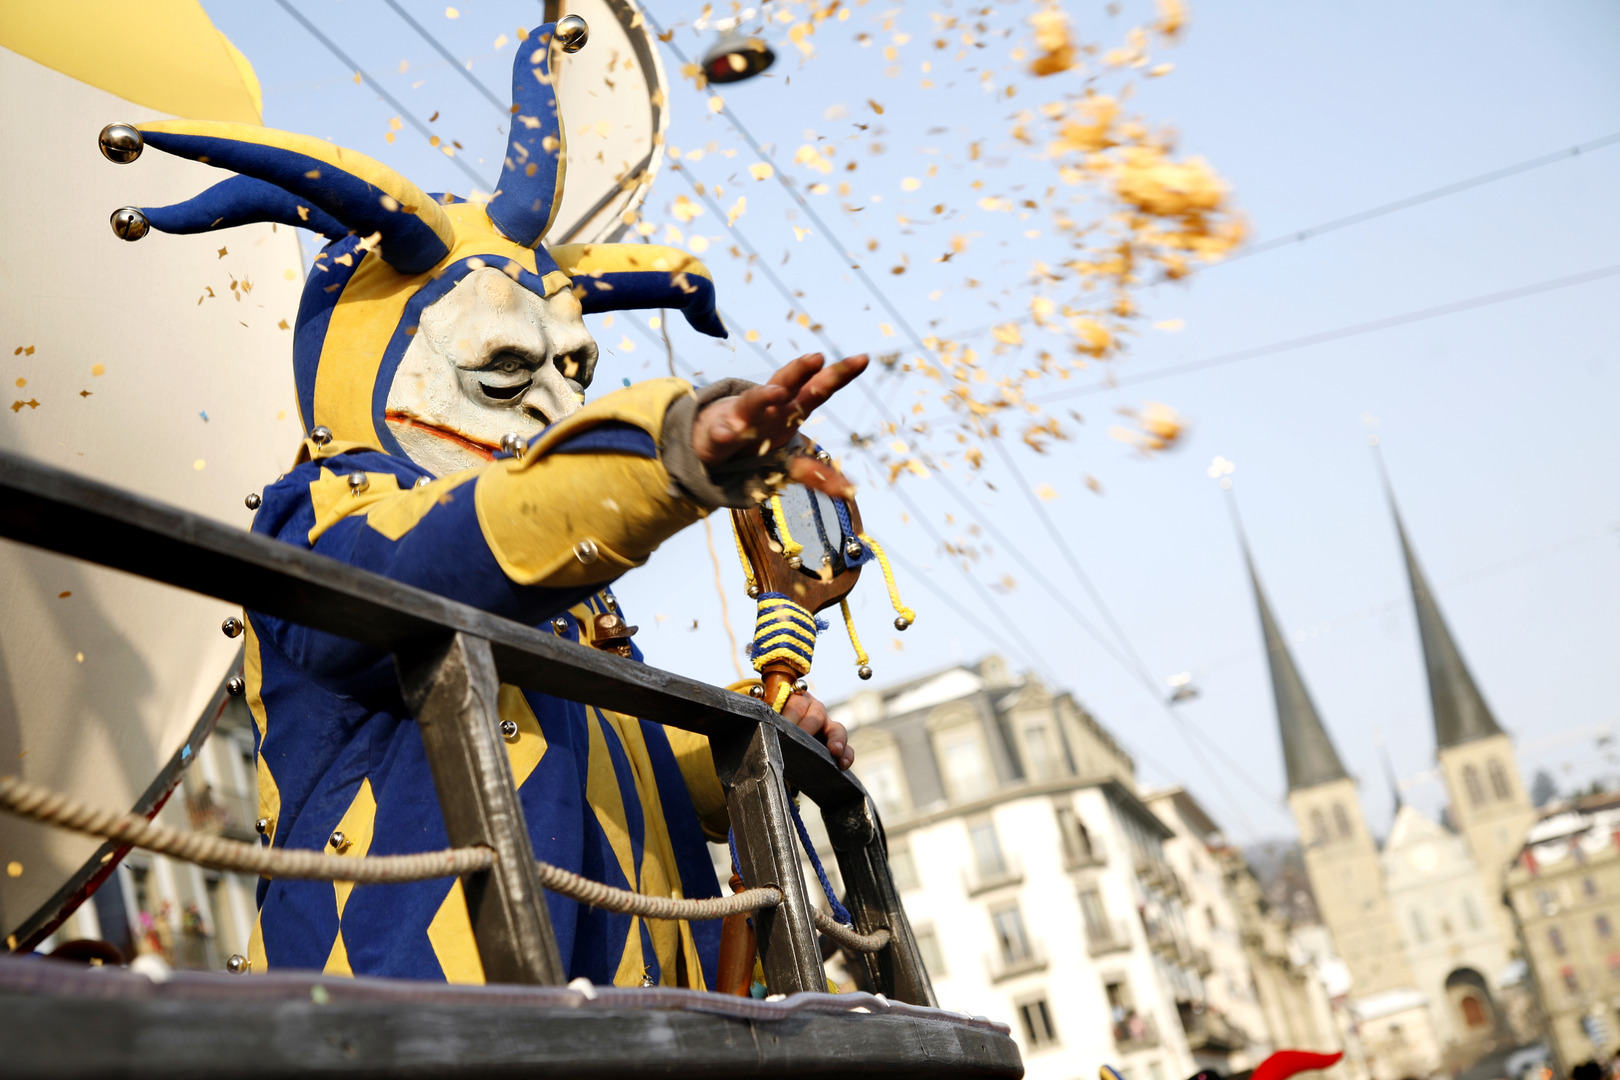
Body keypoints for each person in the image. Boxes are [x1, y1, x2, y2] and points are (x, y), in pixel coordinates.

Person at [102, 19, 858, 989]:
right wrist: (659, 453)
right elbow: (428, 570)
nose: (556, 405)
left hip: (647, 1022)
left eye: (573, 370)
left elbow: (629, 762)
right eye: (503, 374)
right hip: (412, 1011)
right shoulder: (323, 516)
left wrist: (756, 741)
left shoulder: (565, 584)